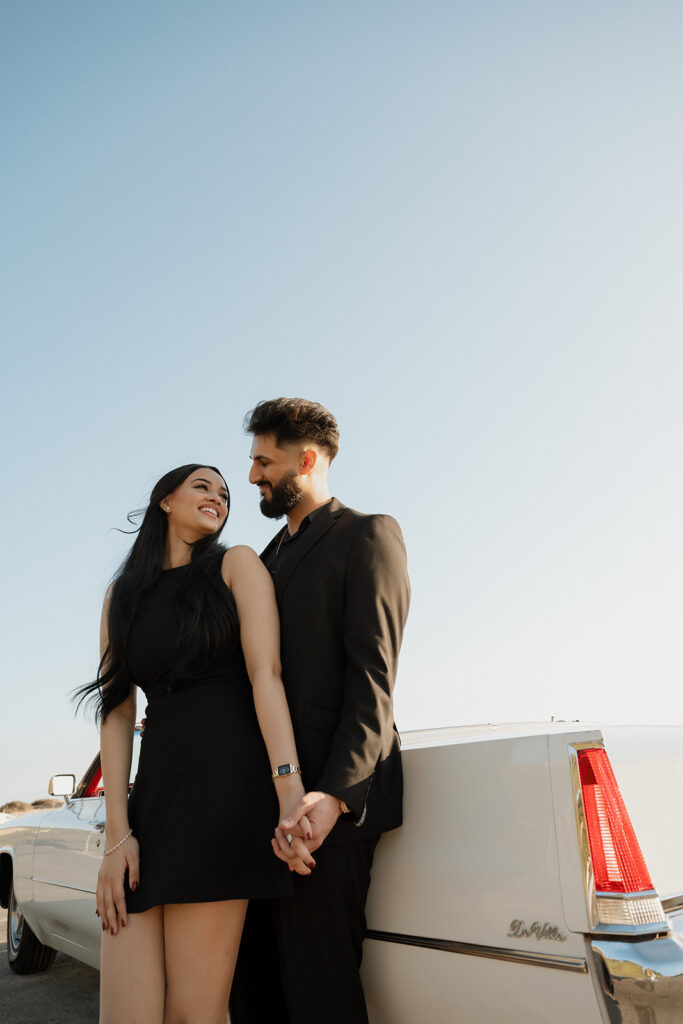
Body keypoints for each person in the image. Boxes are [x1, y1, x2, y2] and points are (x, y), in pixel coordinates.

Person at [76, 463, 312, 1024]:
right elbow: (117, 709)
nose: (218, 497)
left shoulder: (237, 564)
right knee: (126, 1016)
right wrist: (117, 833)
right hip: (154, 799)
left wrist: (289, 790)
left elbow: (267, 676)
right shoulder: (122, 595)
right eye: (202, 486)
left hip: (223, 796)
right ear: (164, 501)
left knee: (192, 1014)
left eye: (226, 493)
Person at [230, 399, 410, 1024]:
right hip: (263, 809)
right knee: (253, 993)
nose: (252, 475)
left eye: (263, 460)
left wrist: (332, 796)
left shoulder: (367, 535)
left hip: (328, 814)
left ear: (305, 460)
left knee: (319, 993)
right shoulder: (261, 560)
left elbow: (373, 682)